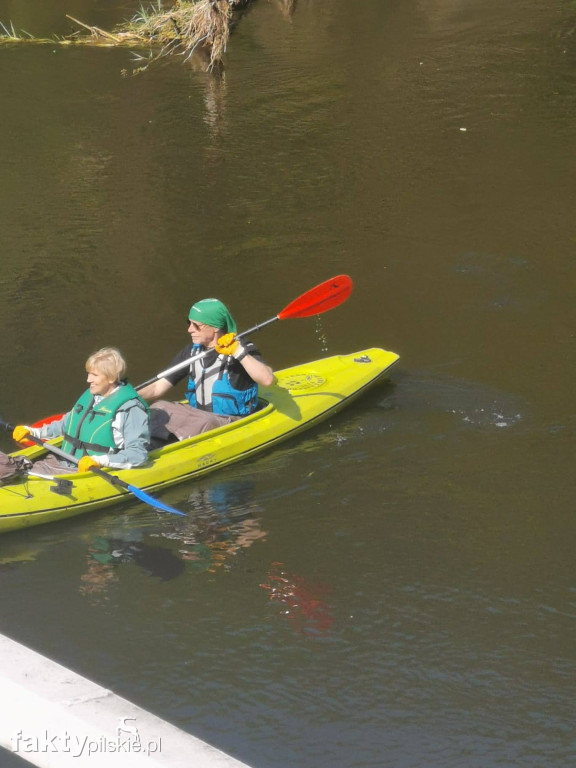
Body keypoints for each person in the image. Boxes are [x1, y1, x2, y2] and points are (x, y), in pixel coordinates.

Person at [138, 298, 274, 444]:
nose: (189, 329)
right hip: (198, 415)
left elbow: (267, 379)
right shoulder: (192, 351)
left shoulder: (241, 346)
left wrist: (238, 352)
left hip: (230, 421)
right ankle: (146, 441)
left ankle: (160, 444)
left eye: (196, 325)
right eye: (189, 323)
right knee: (158, 407)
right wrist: (125, 396)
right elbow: (157, 387)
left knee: (205, 421)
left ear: (215, 327)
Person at [0, 347, 150, 480]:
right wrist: (32, 431)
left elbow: (138, 454)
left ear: (111, 378)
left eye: (94, 375)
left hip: (89, 472)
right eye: (88, 374)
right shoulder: (92, 396)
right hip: (61, 461)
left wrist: (99, 461)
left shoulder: (130, 409)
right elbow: (65, 424)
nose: (88, 379)